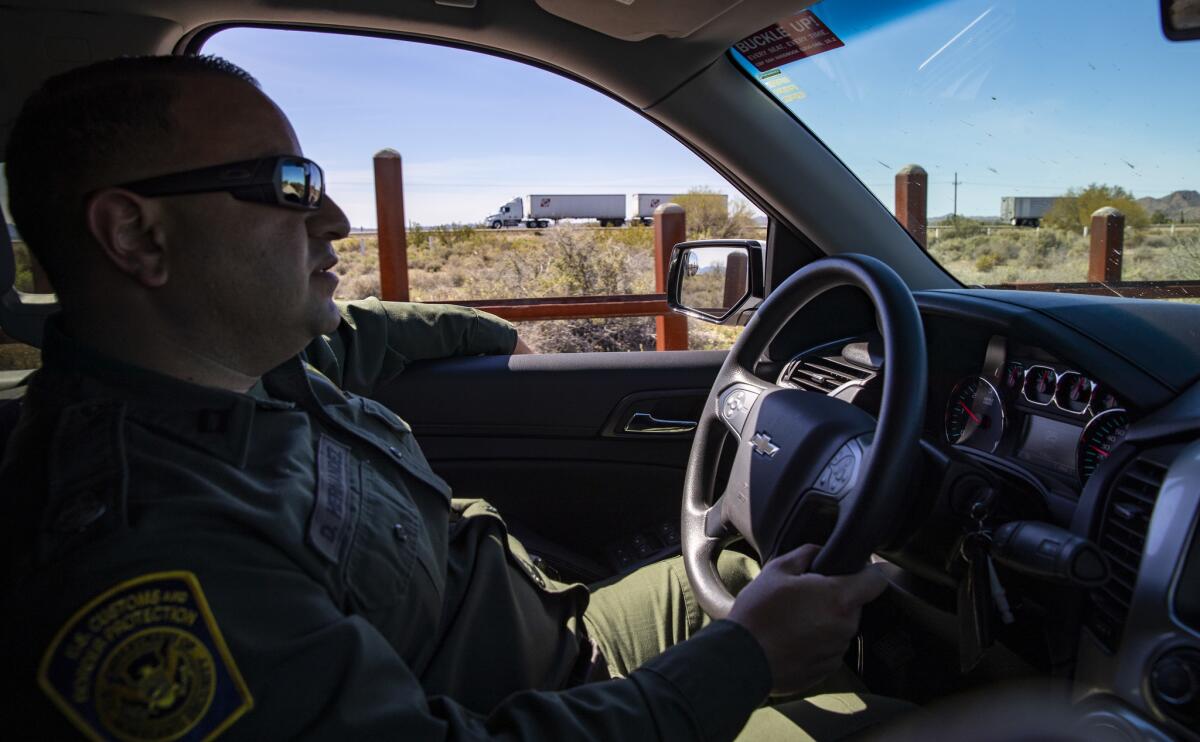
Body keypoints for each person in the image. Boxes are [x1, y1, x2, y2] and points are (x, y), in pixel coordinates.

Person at [0, 55, 897, 740]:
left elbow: (374, 330)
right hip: (542, 706)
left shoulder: (251, 360)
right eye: (286, 186)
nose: (335, 219)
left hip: (567, 641)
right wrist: (741, 665)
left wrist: (492, 331)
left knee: (821, 574)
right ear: (135, 234)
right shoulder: (147, 555)